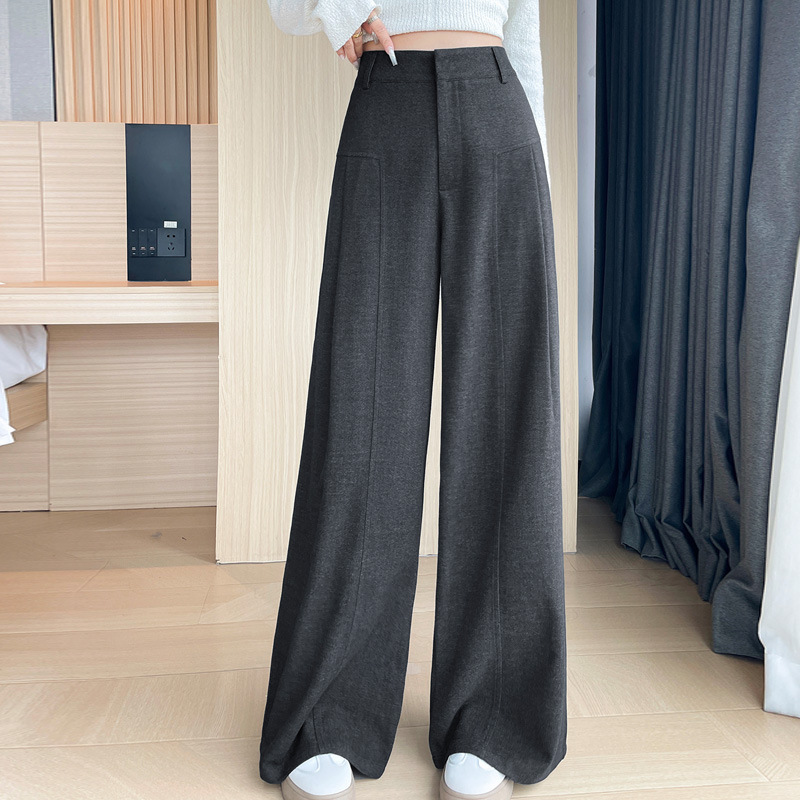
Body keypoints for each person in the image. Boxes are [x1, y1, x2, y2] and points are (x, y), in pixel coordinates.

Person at [259, 3, 567, 799]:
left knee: (505, 419)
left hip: (500, 110)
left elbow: (524, 33)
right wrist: (339, 9)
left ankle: (494, 716)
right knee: (361, 411)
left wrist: (534, 172)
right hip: (387, 100)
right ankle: (329, 712)